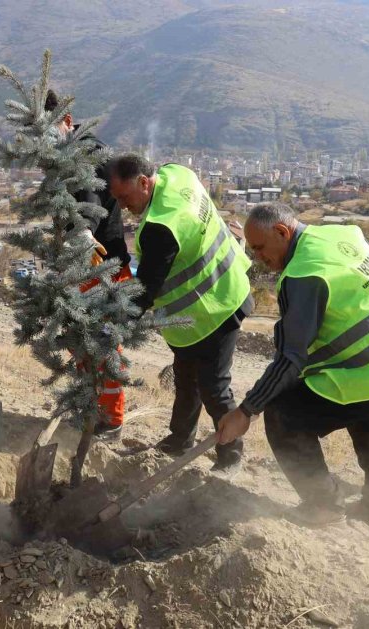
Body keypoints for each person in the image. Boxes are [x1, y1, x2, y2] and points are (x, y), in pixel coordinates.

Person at [217, 204, 369, 527]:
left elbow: (291, 359)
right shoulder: (338, 234)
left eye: (261, 248)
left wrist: (246, 411)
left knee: (283, 416)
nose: (258, 258)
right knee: (365, 417)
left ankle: (323, 507)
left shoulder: (303, 274)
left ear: (282, 232)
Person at [107, 153, 253, 472]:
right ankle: (179, 439)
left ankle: (232, 455)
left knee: (213, 385)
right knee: (186, 378)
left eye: (124, 196)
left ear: (144, 182)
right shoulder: (177, 175)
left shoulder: (162, 226)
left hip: (215, 307)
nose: (121, 205)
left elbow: (144, 291)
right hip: (212, 298)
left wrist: (112, 326)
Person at [45, 90, 132, 441]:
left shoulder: (82, 153)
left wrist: (80, 232)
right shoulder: (65, 153)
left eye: (49, 132)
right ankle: (90, 409)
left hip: (99, 266)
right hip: (82, 266)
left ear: (66, 121)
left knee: (102, 346)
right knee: (83, 343)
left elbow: (89, 203)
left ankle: (110, 421)